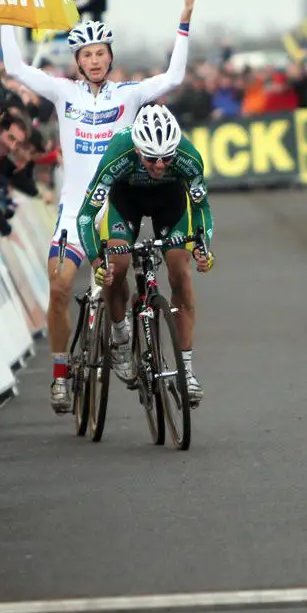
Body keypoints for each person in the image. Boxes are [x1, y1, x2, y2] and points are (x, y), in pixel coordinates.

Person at [1, 0, 198, 414]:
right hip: (74, 208)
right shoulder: (62, 93)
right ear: (77, 61)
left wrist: (183, 22)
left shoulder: (127, 95)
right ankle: (59, 375)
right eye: (86, 54)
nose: (94, 60)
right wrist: (6, 15)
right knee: (58, 288)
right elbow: (14, 65)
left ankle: (121, 334)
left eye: (100, 53)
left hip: (116, 206)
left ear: (109, 57)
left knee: (117, 274)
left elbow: (174, 78)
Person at [75, 105, 214, 406]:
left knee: (181, 270)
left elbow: (201, 208)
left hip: (169, 201)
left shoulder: (189, 157)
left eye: (167, 157)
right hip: (127, 201)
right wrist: (99, 261)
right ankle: (120, 335)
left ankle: (186, 372)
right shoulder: (119, 152)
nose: (161, 165)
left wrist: (203, 247)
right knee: (117, 265)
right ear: (138, 150)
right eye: (152, 158)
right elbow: (86, 216)